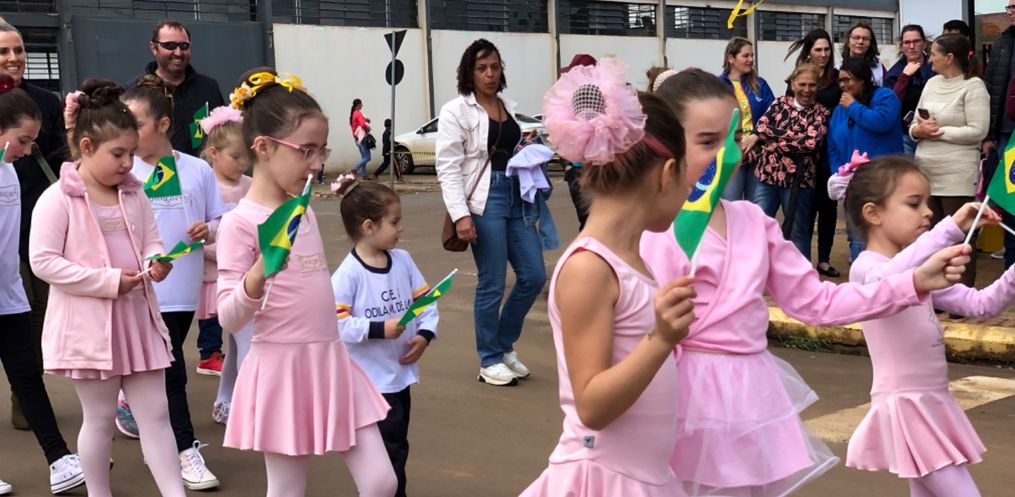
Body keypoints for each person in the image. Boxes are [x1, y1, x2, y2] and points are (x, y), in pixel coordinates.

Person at [645, 66, 972, 497]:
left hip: (751, 394)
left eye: (733, 138)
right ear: (667, 145)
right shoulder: (652, 230)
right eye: (707, 141)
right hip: (682, 395)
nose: (727, 154)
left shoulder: (753, 221)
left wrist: (913, 281)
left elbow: (818, 302)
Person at [216, 68, 396, 497]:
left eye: (322, 151)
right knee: (287, 488)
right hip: (280, 367)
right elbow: (227, 315)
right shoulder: (240, 223)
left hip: (331, 360)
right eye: (306, 151)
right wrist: (258, 274)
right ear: (263, 147)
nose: (317, 164)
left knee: (381, 482)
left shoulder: (305, 210)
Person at [520, 58, 694, 497]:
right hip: (603, 478)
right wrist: (661, 339)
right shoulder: (589, 268)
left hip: (640, 477)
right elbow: (592, 405)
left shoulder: (630, 258)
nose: (690, 191)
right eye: (689, 177)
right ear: (667, 174)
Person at [29, 79, 185, 497]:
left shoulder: (134, 194)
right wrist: (109, 281)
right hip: (89, 329)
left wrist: (156, 259)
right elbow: (43, 262)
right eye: (118, 154)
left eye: (132, 153)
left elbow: (151, 239)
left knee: (157, 415)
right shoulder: (57, 199)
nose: (128, 164)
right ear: (86, 147)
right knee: (98, 420)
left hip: (137, 320)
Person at [844, 157, 1010, 497]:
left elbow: (981, 304)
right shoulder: (866, 269)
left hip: (933, 402)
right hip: (906, 405)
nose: (928, 212)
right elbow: (890, 279)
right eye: (913, 203)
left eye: (926, 202)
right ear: (873, 213)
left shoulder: (918, 273)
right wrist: (951, 227)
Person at [120, 74, 225, 490]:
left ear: (163, 124)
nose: (129, 134)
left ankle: (134, 401)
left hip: (185, 291)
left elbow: (221, 219)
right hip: (144, 290)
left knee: (164, 366)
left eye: (136, 125)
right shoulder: (124, 172)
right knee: (172, 372)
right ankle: (183, 450)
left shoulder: (198, 170)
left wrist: (209, 229)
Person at [436, 38, 555, 386]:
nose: (489, 74)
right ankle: (489, 359)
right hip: (483, 201)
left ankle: (502, 345)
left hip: (518, 196)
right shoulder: (456, 111)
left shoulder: (507, 106)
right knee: (492, 282)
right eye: (481, 68)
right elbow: (448, 167)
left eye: (495, 67)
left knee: (533, 276)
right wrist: (461, 215)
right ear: (469, 73)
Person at [0, 76, 84, 496]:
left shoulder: (11, 173)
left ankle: (60, 459)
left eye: (32, 142)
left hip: (10, 296)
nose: (26, 150)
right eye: (22, 140)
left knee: (28, 378)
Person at [331, 179, 439, 497]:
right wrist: (379, 328)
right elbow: (336, 324)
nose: (401, 228)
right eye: (394, 222)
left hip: (399, 378)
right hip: (370, 384)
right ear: (369, 226)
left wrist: (425, 334)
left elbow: (425, 302)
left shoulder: (403, 260)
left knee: (398, 446)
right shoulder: (348, 274)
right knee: (390, 452)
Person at [0, 17, 68, 432]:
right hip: (4, 227)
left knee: (38, 312)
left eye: (19, 49)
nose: (14, 58)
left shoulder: (45, 101)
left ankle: (25, 391)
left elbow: (60, 161)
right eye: (3, 51)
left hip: (39, 221)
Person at [910, 34, 989, 290]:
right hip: (926, 170)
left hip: (957, 175)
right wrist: (918, 131)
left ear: (949, 58)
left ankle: (961, 298)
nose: (929, 59)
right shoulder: (931, 83)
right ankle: (936, 296)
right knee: (931, 238)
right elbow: (914, 124)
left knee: (959, 239)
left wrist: (938, 132)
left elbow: (978, 130)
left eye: (933, 54)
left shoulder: (974, 86)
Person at [194, 106, 252, 425]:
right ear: (214, 153)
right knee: (246, 343)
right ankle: (246, 405)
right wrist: (231, 252)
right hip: (221, 276)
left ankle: (225, 401)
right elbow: (200, 236)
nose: (242, 164)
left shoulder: (249, 185)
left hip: (248, 275)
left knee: (239, 341)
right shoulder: (206, 187)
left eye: (246, 157)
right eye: (236, 156)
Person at [751, 63, 830, 258]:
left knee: (798, 233)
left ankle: (801, 276)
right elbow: (761, 128)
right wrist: (793, 138)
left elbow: (810, 143)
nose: (807, 89)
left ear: (818, 86)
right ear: (793, 84)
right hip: (767, 177)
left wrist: (775, 142)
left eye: (812, 85)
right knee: (758, 228)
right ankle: (757, 270)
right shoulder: (779, 103)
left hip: (798, 183)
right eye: (802, 84)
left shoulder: (821, 113)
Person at [828, 57, 904, 260]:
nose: (843, 85)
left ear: (862, 79)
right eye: (840, 80)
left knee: (884, 233)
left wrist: (853, 106)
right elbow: (832, 144)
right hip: (854, 183)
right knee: (858, 236)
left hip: (884, 179)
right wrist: (840, 171)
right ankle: (862, 277)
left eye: (848, 79)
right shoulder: (839, 110)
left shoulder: (885, 96)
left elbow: (881, 122)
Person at [785, 29, 843, 277]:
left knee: (828, 206)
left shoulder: (838, 78)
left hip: (830, 150)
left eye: (827, 49)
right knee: (804, 208)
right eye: (818, 49)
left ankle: (825, 259)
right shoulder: (798, 78)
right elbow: (789, 112)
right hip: (804, 154)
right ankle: (802, 260)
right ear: (809, 52)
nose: (823, 54)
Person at [129, 21, 225, 158]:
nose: (178, 53)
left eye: (184, 46)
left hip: (203, 169)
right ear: (154, 48)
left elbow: (224, 135)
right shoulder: (134, 91)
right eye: (170, 46)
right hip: (154, 169)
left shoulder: (209, 87)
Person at [719, 37, 774, 201]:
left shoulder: (760, 85)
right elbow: (715, 121)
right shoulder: (718, 85)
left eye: (752, 56)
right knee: (731, 206)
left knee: (754, 208)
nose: (751, 60)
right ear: (731, 58)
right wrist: (738, 144)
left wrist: (756, 137)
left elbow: (773, 115)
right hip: (731, 157)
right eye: (745, 56)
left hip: (758, 156)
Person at [981, 0, 1015, 268]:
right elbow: (991, 87)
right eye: (1009, 7)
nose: (1011, 12)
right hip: (1006, 133)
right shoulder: (1003, 41)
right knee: (1010, 201)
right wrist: (989, 135)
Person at [559, 53, 597, 231]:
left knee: (596, 219)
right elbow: (561, 135)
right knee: (586, 220)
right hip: (576, 169)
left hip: (598, 169)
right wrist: (567, 165)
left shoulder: (602, 100)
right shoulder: (572, 100)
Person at [886, 25, 937, 155]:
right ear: (901, 46)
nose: (912, 46)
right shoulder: (894, 73)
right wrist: (904, 77)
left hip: (934, 131)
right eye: (907, 42)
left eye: (916, 41)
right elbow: (889, 105)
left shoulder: (936, 68)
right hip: (904, 135)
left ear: (924, 44)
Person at [840, 22, 888, 86]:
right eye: (856, 37)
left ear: (871, 43)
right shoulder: (838, 69)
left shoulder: (879, 67)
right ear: (848, 42)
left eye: (865, 39)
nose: (860, 42)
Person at [350, 98, 373, 178]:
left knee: (364, 158)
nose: (362, 106)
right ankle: (354, 169)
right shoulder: (358, 113)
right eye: (361, 104)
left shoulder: (354, 113)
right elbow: (363, 124)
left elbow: (359, 122)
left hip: (357, 139)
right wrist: (367, 130)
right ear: (358, 105)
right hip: (362, 138)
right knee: (368, 157)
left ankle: (364, 175)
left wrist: (366, 119)